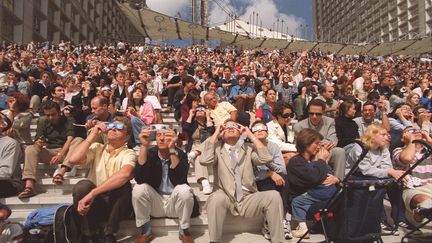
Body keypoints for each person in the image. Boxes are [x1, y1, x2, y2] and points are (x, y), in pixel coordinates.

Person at [199, 119, 285, 243]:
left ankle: (279, 241)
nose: (230, 128)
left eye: (234, 126)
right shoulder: (217, 149)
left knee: (274, 195)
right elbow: (205, 160)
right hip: (225, 195)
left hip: (248, 197)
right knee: (216, 198)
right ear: (222, 134)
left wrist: (250, 134)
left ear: (240, 133)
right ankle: (214, 241)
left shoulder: (249, 148)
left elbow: (266, 158)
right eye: (226, 127)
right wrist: (216, 133)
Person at [68, 117, 136, 243]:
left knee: (123, 185)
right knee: (82, 186)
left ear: (127, 137)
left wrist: (93, 193)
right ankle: (89, 233)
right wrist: (92, 135)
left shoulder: (129, 153)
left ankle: (110, 233)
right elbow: (73, 160)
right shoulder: (96, 147)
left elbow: (125, 174)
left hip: (116, 205)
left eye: (119, 127)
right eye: (111, 126)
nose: (113, 128)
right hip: (95, 204)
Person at [132, 126, 199, 243]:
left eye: (167, 135)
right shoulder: (150, 153)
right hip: (155, 202)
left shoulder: (181, 154)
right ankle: (146, 231)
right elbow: (139, 178)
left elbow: (180, 180)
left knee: (184, 189)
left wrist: (172, 149)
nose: (162, 139)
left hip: (175, 204)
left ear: (174, 137)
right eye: (158, 135)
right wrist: (143, 146)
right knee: (138, 188)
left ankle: (184, 231)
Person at [286, 128, 338, 238]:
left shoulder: (314, 160)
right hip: (304, 201)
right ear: (306, 143)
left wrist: (336, 179)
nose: (319, 147)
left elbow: (325, 175)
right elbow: (313, 177)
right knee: (335, 203)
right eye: (316, 143)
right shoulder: (296, 162)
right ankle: (304, 228)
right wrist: (322, 161)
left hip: (319, 197)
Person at [18, 100, 76, 198]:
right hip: (49, 151)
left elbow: (70, 139)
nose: (50, 118)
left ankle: (61, 171)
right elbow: (38, 138)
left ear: (59, 112)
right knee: (30, 149)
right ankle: (29, 186)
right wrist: (39, 142)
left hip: (66, 152)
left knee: (77, 140)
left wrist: (60, 154)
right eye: (48, 115)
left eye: (53, 114)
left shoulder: (69, 120)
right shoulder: (43, 121)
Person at [251, 120, 292, 240]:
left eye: (262, 128)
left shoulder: (273, 146)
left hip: (275, 176)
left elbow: (281, 169)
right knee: (268, 184)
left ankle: (283, 220)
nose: (259, 131)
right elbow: (250, 175)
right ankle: (269, 222)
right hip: (258, 181)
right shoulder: (249, 148)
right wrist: (268, 173)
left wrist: (271, 169)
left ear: (267, 132)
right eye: (256, 129)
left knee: (283, 179)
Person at [293, 99, 346, 180]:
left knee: (339, 151)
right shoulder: (298, 126)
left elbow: (333, 141)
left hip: (326, 150)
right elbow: (301, 146)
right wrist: (320, 144)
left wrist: (314, 144)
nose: (314, 116)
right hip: (308, 153)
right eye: (311, 113)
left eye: (318, 114)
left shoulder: (330, 122)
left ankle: (338, 181)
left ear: (323, 113)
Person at [393, 127, 432, 223]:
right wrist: (411, 141)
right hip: (413, 189)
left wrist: (429, 139)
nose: (416, 132)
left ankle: (421, 211)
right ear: (403, 138)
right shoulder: (399, 151)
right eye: (411, 132)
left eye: (418, 130)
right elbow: (407, 158)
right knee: (427, 202)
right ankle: (422, 209)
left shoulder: (428, 151)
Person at [183, 105, 215, 194]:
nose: (200, 111)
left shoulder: (210, 122)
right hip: (194, 146)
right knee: (199, 157)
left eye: (202, 110)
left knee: (209, 139)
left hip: (208, 147)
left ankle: (195, 153)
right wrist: (190, 115)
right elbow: (185, 128)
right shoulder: (192, 123)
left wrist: (208, 117)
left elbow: (211, 131)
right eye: (198, 110)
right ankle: (205, 182)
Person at [0, 113, 23, 198]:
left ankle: (3, 210)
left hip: (10, 183)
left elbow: (6, 173)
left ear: (1, 125)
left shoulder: (10, 143)